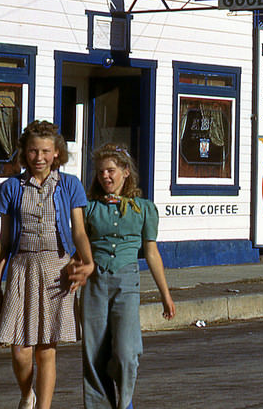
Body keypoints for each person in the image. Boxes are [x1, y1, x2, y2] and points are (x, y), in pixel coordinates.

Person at [0, 120, 95, 409]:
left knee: (47, 348)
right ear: (24, 153)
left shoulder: (70, 185)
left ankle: (44, 407)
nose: (39, 157)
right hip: (22, 267)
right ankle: (27, 394)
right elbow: (4, 241)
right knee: (20, 349)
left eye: (46, 151)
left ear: (56, 153)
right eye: (33, 151)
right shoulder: (11, 187)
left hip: (56, 268)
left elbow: (78, 232)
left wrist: (87, 262)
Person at [75, 144, 175, 409]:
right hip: (95, 282)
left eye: (111, 170)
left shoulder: (143, 209)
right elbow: (79, 246)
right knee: (95, 351)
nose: (105, 176)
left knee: (126, 352)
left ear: (125, 172)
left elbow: (152, 252)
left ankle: (125, 402)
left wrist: (165, 296)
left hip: (127, 282)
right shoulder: (89, 208)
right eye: (100, 172)